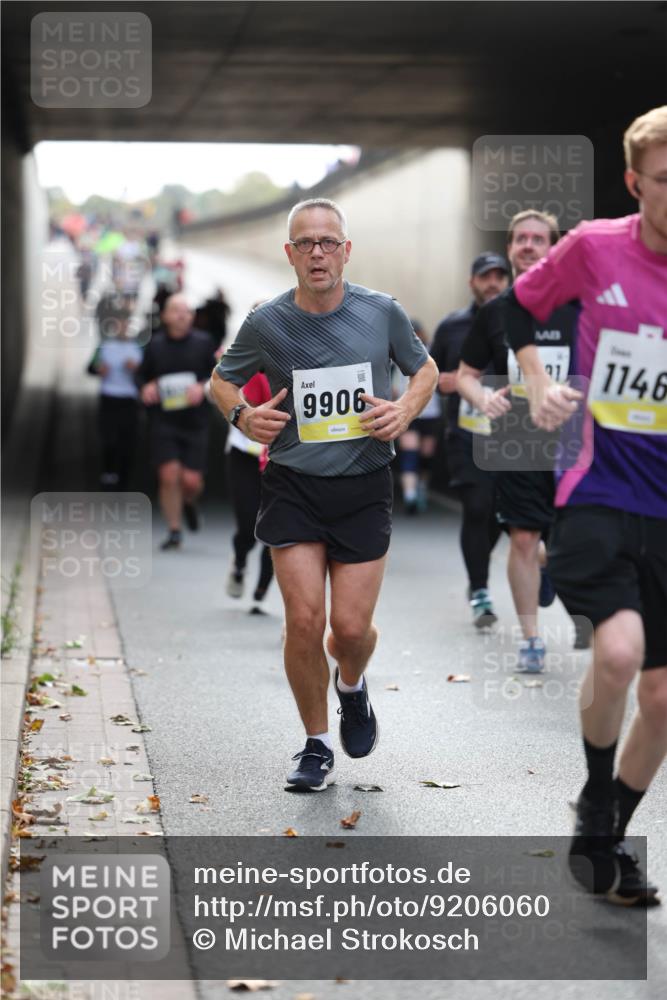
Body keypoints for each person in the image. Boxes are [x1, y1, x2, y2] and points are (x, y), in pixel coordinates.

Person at [210, 197, 437, 791]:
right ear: (289, 254)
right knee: (304, 622)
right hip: (293, 486)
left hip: (364, 485)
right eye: (305, 243)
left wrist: (405, 410)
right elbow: (221, 379)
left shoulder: (381, 312)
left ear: (346, 250)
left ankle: (352, 688)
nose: (317, 253)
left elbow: (426, 370)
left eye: (328, 242)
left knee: (352, 630)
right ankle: (315, 744)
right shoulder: (266, 323)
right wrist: (241, 416)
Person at [504, 106, 667, 905]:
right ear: (636, 183)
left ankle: (606, 834)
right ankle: (597, 792)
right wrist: (536, 385)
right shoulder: (594, 247)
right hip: (599, 489)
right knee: (617, 654)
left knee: (664, 698)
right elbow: (517, 309)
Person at [457, 212, 578, 670]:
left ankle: (550, 561)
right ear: (510, 249)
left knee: (573, 538)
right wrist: (483, 397)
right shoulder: (495, 311)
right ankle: (532, 640)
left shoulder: (580, 302)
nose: (528, 245)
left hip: (574, 444)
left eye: (538, 239)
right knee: (522, 537)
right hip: (518, 442)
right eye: (520, 239)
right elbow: (465, 376)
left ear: (554, 248)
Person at [430, 252, 510, 627]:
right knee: (477, 506)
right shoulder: (452, 326)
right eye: (485, 276)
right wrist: (444, 380)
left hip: (513, 434)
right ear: (471, 282)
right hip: (465, 433)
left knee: (500, 512)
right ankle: (479, 589)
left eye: (499, 276)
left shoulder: (521, 320)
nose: (492, 282)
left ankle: (492, 568)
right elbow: (425, 375)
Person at [136, 294, 218, 550]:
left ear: (192, 317)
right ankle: (174, 530)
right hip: (164, 420)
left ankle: (190, 502)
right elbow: (140, 376)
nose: (182, 315)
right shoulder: (155, 345)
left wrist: (201, 386)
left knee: (191, 481)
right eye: (176, 310)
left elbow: (218, 377)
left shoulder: (204, 343)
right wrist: (146, 387)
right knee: (168, 475)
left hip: (195, 421)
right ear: (165, 316)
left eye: (186, 311)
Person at [224, 370, 275, 613]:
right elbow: (214, 388)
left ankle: (262, 588)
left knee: (276, 525)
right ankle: (240, 562)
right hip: (245, 453)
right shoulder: (245, 351)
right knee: (248, 523)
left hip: (280, 455)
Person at [87, 305, 142, 490]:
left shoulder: (139, 348)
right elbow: (90, 367)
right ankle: (109, 474)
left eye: (126, 323)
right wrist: (98, 369)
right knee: (109, 439)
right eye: (119, 323)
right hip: (109, 397)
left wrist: (136, 370)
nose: (123, 327)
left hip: (129, 400)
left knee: (128, 442)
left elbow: (149, 373)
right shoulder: (105, 346)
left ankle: (124, 479)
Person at [394, 319, 441, 514]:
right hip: (409, 411)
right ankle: (410, 495)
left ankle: (420, 488)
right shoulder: (397, 351)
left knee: (426, 456)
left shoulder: (432, 352)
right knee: (410, 454)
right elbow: (395, 384)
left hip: (431, 413)